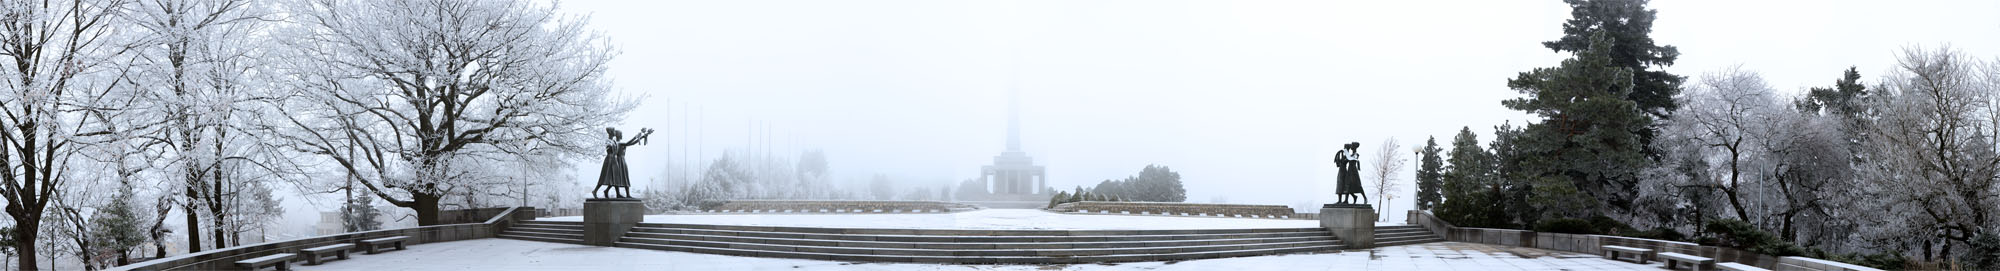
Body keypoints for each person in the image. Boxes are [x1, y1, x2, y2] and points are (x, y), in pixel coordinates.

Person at [594, 127, 653, 198]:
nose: (615, 133)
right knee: (605, 177)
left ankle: (613, 193)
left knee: (614, 177)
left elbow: (628, 144)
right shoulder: (609, 141)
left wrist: (641, 137)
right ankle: (596, 191)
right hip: (610, 160)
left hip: (614, 160)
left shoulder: (614, 141)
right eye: (614, 131)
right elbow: (622, 145)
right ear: (610, 132)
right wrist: (636, 137)